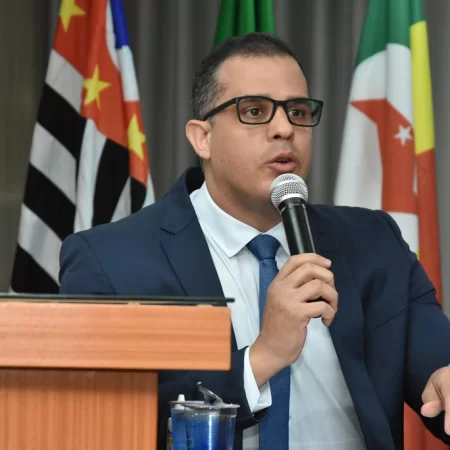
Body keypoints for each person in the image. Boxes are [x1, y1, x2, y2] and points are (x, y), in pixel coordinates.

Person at [59, 32, 450, 450]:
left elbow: (436, 368)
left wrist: (444, 381)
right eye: (254, 111)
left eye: (297, 111)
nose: (284, 129)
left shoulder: (374, 242)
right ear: (202, 138)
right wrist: (262, 357)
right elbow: (91, 420)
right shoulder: (111, 261)